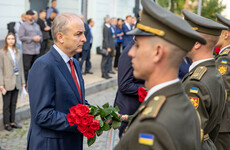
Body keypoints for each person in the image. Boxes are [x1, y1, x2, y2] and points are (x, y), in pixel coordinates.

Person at [115, 0, 207, 149]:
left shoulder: (152, 127)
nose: (131, 52)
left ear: (157, 52)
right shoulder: (181, 103)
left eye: (137, 45)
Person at [27, 13, 88, 150]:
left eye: (83, 34)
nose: (84, 39)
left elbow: (76, 102)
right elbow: (42, 115)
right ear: (60, 37)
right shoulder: (44, 65)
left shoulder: (75, 64)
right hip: (52, 144)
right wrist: (82, 123)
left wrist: (97, 114)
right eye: (78, 34)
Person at [182, 9, 227, 150]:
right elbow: (215, 125)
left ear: (196, 43)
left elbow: (187, 135)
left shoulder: (195, 83)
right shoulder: (213, 72)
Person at [114, 39, 145, 138]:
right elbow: (124, 85)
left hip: (138, 108)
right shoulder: (129, 52)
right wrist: (147, 88)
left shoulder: (141, 49)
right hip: (129, 109)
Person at [0, 33, 25, 131]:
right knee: (6, 104)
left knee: (14, 103)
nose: (11, 40)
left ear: (15, 40)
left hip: (16, 81)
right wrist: (1, 84)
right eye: (9, 39)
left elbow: (21, 68)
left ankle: (12, 121)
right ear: (6, 40)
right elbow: (0, 69)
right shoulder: (2, 52)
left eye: (13, 39)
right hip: (6, 82)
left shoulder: (18, 52)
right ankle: (6, 123)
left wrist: (23, 81)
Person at [214, 13, 230, 150]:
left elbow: (222, 91)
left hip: (224, 122)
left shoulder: (225, 59)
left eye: (218, 32)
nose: (215, 35)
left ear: (226, 35)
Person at [19, 10, 42, 84]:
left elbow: (41, 35)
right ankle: (24, 84)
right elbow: (21, 37)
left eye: (32, 15)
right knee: (26, 69)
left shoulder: (37, 25)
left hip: (36, 50)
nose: (31, 16)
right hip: (27, 51)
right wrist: (32, 38)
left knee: (35, 69)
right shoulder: (23, 25)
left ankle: (33, 84)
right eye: (30, 15)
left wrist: (39, 38)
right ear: (26, 16)